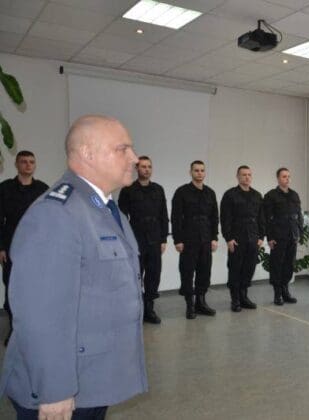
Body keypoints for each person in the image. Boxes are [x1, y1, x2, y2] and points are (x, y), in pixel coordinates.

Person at [0, 115, 147, 419]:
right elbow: (40, 313)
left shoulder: (105, 208)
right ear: (87, 153)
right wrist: (54, 389)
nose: (134, 158)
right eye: (123, 149)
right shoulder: (57, 213)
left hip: (92, 377)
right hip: (63, 389)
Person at [0, 151, 48, 346]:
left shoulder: (42, 189)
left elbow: (48, 219)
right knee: (12, 287)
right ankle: (14, 329)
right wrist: (1, 247)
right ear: (16, 164)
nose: (28, 165)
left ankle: (32, 330)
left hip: (36, 246)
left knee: (34, 288)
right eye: (24, 162)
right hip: (11, 244)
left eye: (31, 162)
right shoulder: (5, 188)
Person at [118, 156, 169, 324]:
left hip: (155, 237)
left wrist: (163, 239)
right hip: (136, 237)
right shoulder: (128, 190)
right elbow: (122, 217)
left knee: (153, 274)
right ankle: (136, 309)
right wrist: (125, 239)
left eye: (149, 167)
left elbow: (163, 215)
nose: (146, 170)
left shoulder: (158, 190)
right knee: (136, 274)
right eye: (143, 167)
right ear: (137, 169)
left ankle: (149, 309)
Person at [171, 161, 218, 319]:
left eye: (202, 170)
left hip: (206, 238)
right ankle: (189, 305)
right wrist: (177, 240)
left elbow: (214, 217)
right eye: (196, 170)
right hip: (188, 239)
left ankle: (201, 303)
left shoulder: (210, 193)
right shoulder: (182, 192)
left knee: (204, 271)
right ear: (190, 172)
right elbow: (176, 218)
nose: (199, 173)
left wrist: (214, 237)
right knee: (187, 272)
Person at [220, 165, 264, 312]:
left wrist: (261, 236)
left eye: (249, 174)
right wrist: (228, 238)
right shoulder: (230, 195)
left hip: (253, 237)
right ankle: (235, 299)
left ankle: (244, 296)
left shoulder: (257, 195)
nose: (247, 177)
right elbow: (225, 219)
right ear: (238, 177)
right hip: (237, 238)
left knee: (249, 268)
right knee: (235, 268)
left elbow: (261, 218)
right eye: (244, 175)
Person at [264, 167, 302, 305]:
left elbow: (299, 215)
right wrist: (270, 237)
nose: (287, 179)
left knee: (289, 264)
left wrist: (299, 233)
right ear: (278, 178)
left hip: (292, 235)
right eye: (284, 176)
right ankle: (277, 294)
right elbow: (267, 218)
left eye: (288, 176)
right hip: (278, 236)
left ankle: (285, 291)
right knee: (277, 265)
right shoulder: (271, 196)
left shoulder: (294, 195)